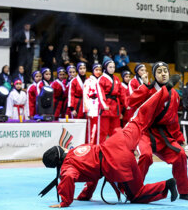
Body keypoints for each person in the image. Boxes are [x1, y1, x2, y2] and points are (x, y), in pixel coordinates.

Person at [40, 83, 180, 208]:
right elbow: (92, 178)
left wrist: (65, 202)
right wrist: (85, 196)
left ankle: (166, 185)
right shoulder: (75, 150)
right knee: (139, 118)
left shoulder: (67, 167)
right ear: (61, 150)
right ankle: (163, 91)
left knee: (136, 195)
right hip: (117, 141)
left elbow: (70, 177)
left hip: (116, 161)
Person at [128, 61, 188, 201]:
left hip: (163, 135)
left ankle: (183, 191)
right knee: (145, 155)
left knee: (180, 154)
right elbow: (130, 102)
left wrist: (179, 138)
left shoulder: (174, 94)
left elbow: (174, 119)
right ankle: (134, 189)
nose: (163, 74)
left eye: (165, 71)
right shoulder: (147, 89)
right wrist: (144, 86)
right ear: (154, 75)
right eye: (159, 71)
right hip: (144, 132)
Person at [98, 60, 126, 141]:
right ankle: (100, 150)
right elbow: (100, 93)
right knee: (103, 130)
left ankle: (115, 149)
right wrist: (103, 105)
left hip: (115, 106)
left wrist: (127, 104)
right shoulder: (101, 79)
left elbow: (122, 93)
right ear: (106, 68)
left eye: (113, 67)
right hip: (106, 106)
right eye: (110, 67)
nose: (112, 69)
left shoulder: (116, 78)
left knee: (116, 130)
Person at [83, 63, 103, 144]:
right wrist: (86, 108)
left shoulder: (102, 80)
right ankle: (89, 144)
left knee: (99, 126)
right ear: (93, 70)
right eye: (96, 70)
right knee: (91, 126)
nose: (98, 71)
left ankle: (97, 144)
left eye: (100, 70)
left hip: (100, 104)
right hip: (92, 104)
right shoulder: (88, 81)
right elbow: (85, 94)